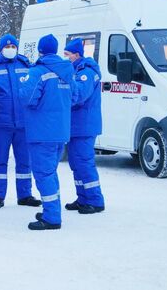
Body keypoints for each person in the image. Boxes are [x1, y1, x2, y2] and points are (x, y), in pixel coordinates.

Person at [0, 34, 42, 210]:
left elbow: (34, 89)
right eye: (7, 47)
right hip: (1, 124)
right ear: (0, 49)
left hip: (23, 123)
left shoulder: (25, 65)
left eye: (13, 46)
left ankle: (25, 195)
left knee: (24, 160)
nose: (10, 49)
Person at [19, 34, 74, 230]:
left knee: (43, 174)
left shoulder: (38, 72)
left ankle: (51, 217)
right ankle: (52, 210)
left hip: (42, 131)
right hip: (60, 130)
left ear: (40, 51)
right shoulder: (67, 71)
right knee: (50, 172)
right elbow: (74, 96)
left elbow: (27, 97)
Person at [63, 38, 106, 214]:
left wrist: (61, 91)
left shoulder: (86, 73)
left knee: (84, 162)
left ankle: (95, 200)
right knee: (75, 163)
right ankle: (82, 198)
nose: (65, 57)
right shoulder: (75, 70)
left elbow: (79, 95)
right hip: (75, 126)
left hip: (84, 126)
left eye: (67, 54)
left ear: (76, 54)